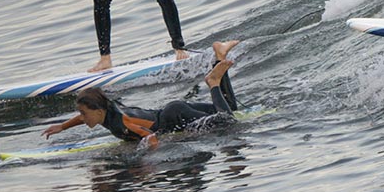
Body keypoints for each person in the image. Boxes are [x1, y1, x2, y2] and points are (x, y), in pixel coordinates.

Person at [42, 41, 241, 148]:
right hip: (173, 110)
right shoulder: (103, 110)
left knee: (226, 121)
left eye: (84, 113)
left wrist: (148, 163)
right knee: (230, 107)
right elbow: (82, 117)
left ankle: (213, 82)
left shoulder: (122, 121)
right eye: (82, 113)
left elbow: (150, 137)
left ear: (98, 110)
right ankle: (219, 56)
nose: (83, 118)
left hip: (174, 117)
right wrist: (62, 126)